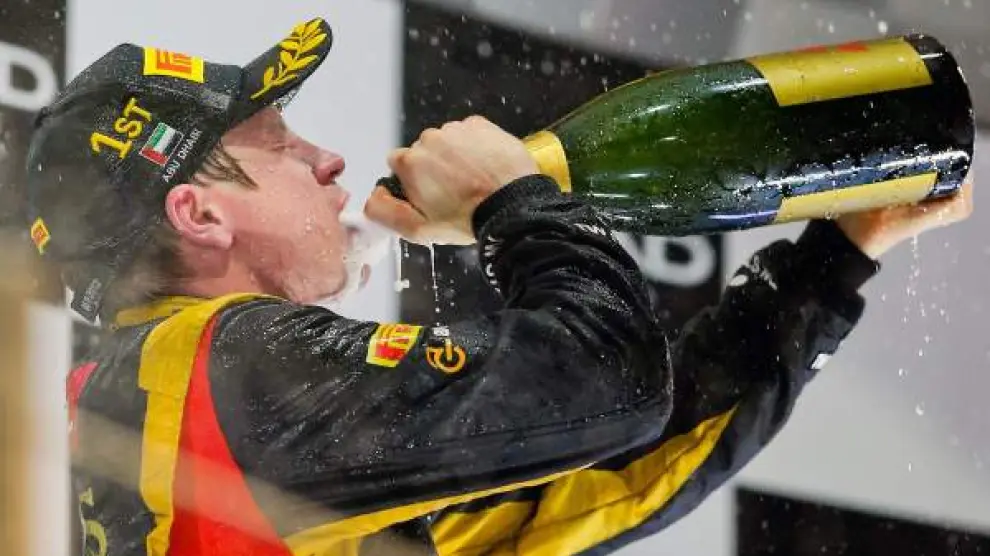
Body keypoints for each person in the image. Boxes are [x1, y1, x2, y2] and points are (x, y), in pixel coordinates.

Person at [27, 17, 972, 556]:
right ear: (198, 212)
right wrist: (513, 202)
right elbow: (608, 388)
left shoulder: (199, 414)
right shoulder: (215, 372)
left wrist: (834, 258)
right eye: (277, 142)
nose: (326, 160)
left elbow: (612, 475)